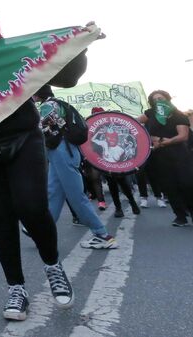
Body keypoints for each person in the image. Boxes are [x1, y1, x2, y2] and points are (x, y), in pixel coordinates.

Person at [0, 12, 100, 320]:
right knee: (2, 217)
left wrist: (80, 46)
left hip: (24, 138)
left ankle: (53, 266)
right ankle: (16, 288)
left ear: (0, 36)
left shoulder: (18, 53)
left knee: (31, 206)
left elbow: (66, 77)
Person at [35, 85, 118, 250]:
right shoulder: (57, 103)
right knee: (54, 193)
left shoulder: (47, 106)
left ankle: (102, 234)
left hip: (61, 151)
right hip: (63, 151)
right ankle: (43, 231)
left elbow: (44, 132)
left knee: (76, 196)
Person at [136, 90, 193, 226]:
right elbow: (135, 124)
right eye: (155, 100)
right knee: (169, 187)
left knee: (187, 184)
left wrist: (161, 141)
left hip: (179, 155)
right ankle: (180, 216)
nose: (158, 101)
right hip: (159, 157)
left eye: (160, 98)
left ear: (167, 99)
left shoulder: (178, 115)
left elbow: (183, 136)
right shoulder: (150, 113)